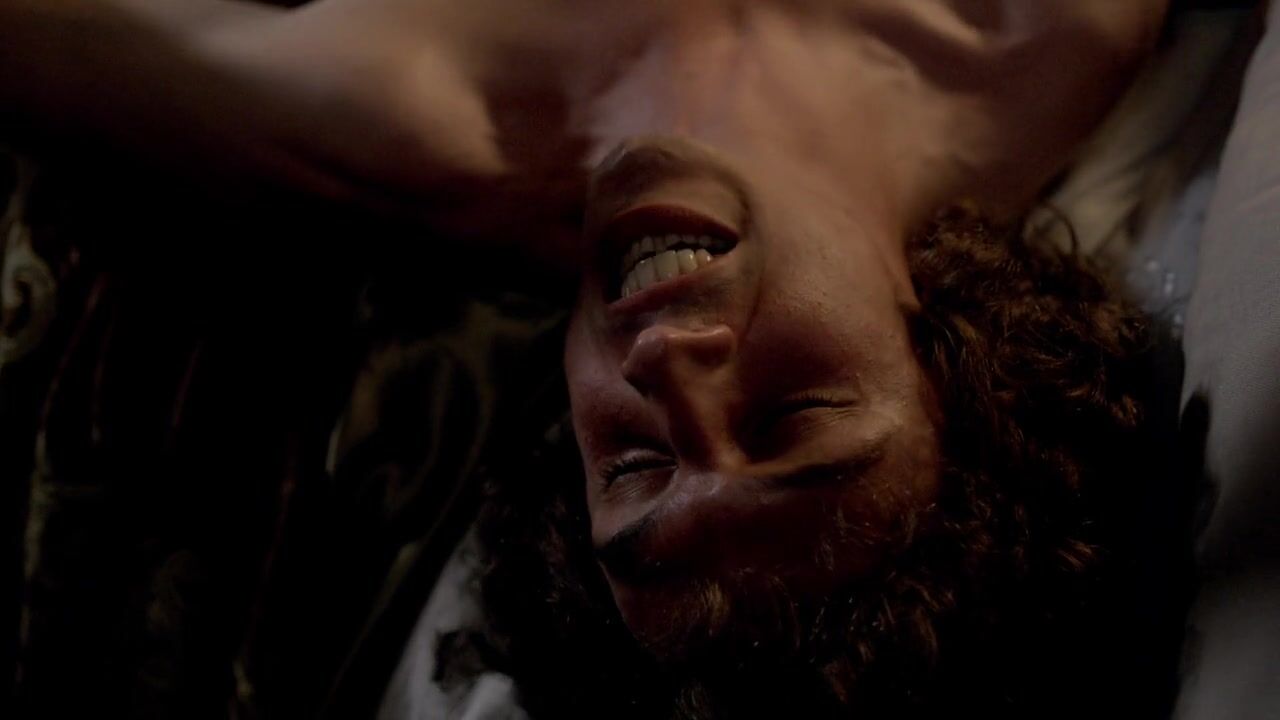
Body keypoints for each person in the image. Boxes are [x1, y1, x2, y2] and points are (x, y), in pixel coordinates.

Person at [2, 0, 1200, 717]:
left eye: (632, 467)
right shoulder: (1037, 29)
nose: (665, 364)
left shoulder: (419, 122)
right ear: (958, 368)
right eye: (789, 420)